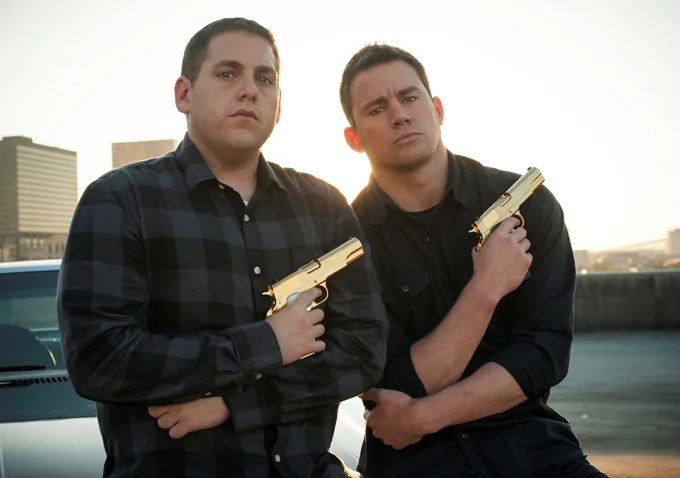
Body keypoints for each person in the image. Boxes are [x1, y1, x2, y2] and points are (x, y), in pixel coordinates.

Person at [57, 18, 388, 478]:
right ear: (184, 94)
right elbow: (99, 358)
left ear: (278, 105)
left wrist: (238, 403)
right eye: (228, 73)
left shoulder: (325, 206)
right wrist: (265, 344)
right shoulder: (120, 200)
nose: (249, 90)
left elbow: (363, 351)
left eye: (265, 79)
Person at [339, 43, 608, 478]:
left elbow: (544, 353)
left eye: (409, 97)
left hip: (532, 449)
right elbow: (393, 382)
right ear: (353, 139)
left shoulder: (527, 204)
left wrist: (423, 416)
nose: (400, 115)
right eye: (377, 108)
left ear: (437, 109)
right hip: (412, 463)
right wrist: (486, 288)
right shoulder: (345, 244)